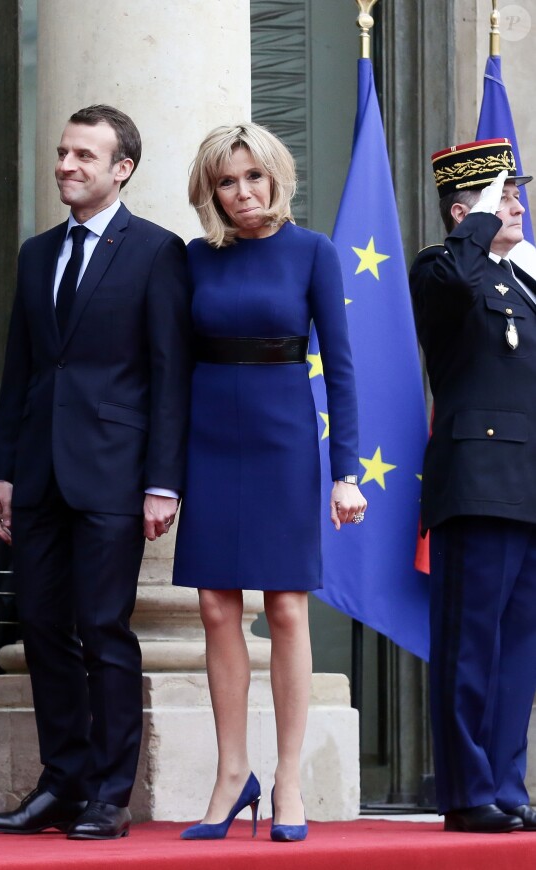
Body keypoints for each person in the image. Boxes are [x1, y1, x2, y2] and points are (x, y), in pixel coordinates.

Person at [0, 105, 192, 839]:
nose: (67, 165)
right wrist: (4, 471)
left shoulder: (158, 251)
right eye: (64, 153)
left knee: (103, 628)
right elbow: (22, 372)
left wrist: (164, 482)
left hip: (114, 475)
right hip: (38, 473)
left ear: (121, 169)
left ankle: (108, 792)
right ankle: (61, 784)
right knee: (40, 625)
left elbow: (170, 375)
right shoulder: (37, 253)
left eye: (84, 157)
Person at [172, 122, 367, 842]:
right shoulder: (192, 260)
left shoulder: (312, 252)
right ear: (210, 192)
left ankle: (287, 779)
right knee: (216, 608)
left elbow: (341, 371)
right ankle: (231, 775)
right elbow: (169, 366)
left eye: (254, 176)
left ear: (277, 179)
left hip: (285, 435)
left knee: (286, 608)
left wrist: (346, 472)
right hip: (210, 436)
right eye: (227, 181)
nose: (243, 192)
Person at [410, 138, 536, 834]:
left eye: (516, 194)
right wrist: (477, 227)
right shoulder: (443, 268)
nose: (516, 204)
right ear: (464, 209)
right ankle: (467, 790)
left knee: (518, 650)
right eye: (501, 194)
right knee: (470, 646)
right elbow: (452, 283)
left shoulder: (524, 281)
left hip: (529, 486)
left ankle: (508, 785)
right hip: (478, 482)